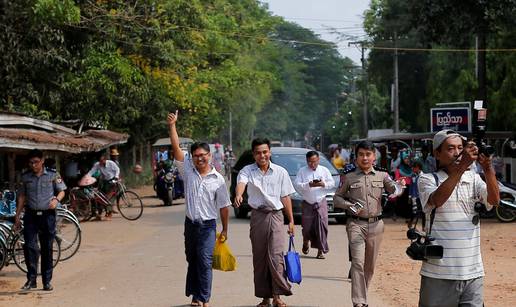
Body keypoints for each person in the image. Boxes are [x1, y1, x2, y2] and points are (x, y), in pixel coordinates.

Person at [417, 130, 499, 307]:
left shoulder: (473, 178)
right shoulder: (427, 179)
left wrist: (488, 168)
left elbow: (494, 200)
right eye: (450, 148)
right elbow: (437, 200)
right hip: (439, 273)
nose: (457, 152)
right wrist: (462, 167)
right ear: (437, 153)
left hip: (473, 272)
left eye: (460, 148)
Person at [167, 111, 230, 307]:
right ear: (192, 158)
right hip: (190, 225)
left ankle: (204, 298)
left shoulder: (218, 179)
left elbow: (224, 206)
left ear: (209, 156)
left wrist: (225, 229)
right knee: (192, 259)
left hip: (208, 227)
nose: (200, 159)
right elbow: (176, 147)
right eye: (196, 156)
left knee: (204, 261)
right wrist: (172, 126)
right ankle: (196, 296)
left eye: (203, 155)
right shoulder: (187, 171)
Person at [334, 141, 405, 307]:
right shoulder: (349, 176)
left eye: (368, 154)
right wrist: (348, 206)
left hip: (376, 225)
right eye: (361, 155)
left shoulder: (382, 175)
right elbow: (337, 198)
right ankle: (359, 302)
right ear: (356, 157)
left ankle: (362, 295)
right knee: (357, 262)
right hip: (355, 225)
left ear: (374, 156)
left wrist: (399, 187)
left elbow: (394, 190)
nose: (365, 158)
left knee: (369, 266)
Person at [234, 138, 295, 307]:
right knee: (260, 258)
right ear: (254, 154)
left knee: (276, 257)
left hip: (276, 216)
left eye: (265, 152)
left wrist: (290, 220)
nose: (262, 155)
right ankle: (265, 298)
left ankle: (277, 296)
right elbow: (241, 183)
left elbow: (285, 197)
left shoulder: (280, 172)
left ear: (270, 152)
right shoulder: (247, 170)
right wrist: (239, 194)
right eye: (258, 153)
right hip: (258, 216)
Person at [14, 149, 67, 291]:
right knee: (30, 247)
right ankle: (31, 280)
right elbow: (21, 197)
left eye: (36, 162)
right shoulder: (25, 177)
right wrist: (17, 216)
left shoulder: (52, 174)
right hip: (30, 216)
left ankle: (46, 281)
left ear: (42, 161)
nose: (33, 165)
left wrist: (56, 199)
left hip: (47, 215)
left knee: (47, 248)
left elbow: (62, 190)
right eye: (31, 162)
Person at [294, 150, 335, 259]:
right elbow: (297, 185)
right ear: (306, 161)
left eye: (314, 161)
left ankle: (320, 251)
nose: (312, 164)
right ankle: (305, 241)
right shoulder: (302, 171)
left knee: (322, 226)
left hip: (321, 202)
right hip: (308, 202)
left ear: (318, 160)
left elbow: (332, 183)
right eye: (310, 162)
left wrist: (323, 184)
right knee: (307, 228)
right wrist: (309, 185)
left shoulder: (324, 170)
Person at [87, 151, 121, 220]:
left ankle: (110, 213)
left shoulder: (111, 163)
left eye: (102, 160)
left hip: (113, 181)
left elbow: (117, 169)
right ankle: (100, 213)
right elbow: (91, 171)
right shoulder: (97, 165)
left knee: (109, 198)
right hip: (105, 182)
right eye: (100, 161)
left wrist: (116, 177)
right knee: (101, 198)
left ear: (105, 159)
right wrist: (86, 177)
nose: (101, 162)